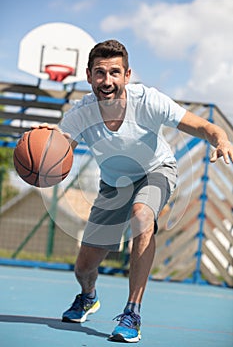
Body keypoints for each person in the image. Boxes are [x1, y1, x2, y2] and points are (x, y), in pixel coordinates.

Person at [37, 40, 233, 343]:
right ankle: (88, 296)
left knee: (142, 215)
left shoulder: (149, 101)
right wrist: (43, 151)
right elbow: (60, 151)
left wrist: (220, 138)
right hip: (114, 185)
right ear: (89, 76)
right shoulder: (81, 112)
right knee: (84, 267)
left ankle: (132, 311)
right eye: (100, 73)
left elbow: (203, 127)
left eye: (115, 72)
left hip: (156, 172)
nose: (107, 81)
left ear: (127, 75)